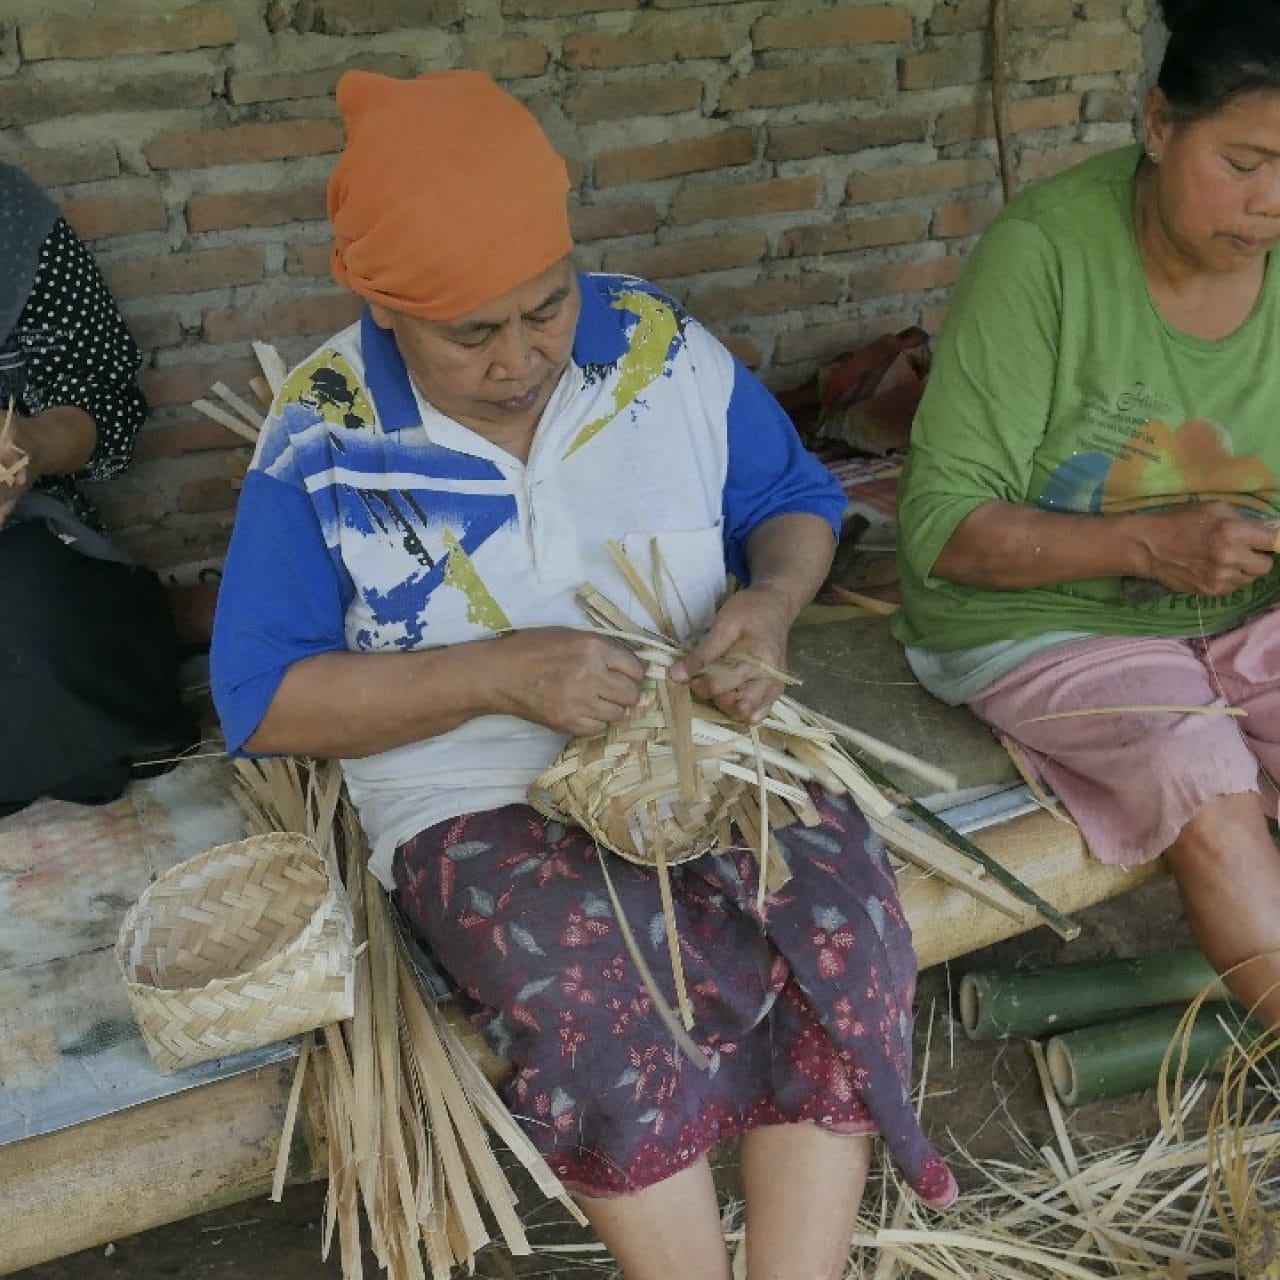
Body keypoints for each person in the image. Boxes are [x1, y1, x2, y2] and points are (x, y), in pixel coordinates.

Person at [211, 69, 956, 1280]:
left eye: (545, 307)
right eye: (472, 333)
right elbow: (265, 697)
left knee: (842, 920)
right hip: (469, 787)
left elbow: (791, 501)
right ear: (381, 306)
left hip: (695, 736)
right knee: (590, 983)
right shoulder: (325, 432)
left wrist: (766, 606)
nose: (521, 357)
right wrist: (497, 675)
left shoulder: (655, 346)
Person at [895, 0, 1280, 1026]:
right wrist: (1148, 541)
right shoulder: (1046, 255)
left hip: (1241, 601)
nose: (1268, 202)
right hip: (1034, 613)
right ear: (1156, 125)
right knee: (1195, 766)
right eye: (1241, 162)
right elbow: (941, 529)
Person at [0, 162, 194, 816]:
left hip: (18, 534)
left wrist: (27, 448)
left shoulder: (11, 220)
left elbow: (102, 407)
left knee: (39, 637)